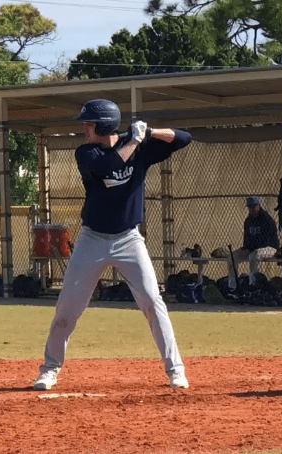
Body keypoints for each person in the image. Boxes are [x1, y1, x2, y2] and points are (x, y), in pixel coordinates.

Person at [33, 99, 192, 391]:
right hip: (92, 239)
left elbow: (184, 138)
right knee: (67, 307)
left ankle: (176, 370)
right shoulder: (86, 152)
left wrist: (149, 131)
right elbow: (109, 167)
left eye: (89, 124)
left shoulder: (140, 148)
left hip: (129, 239)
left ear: (104, 125)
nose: (84, 128)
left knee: (153, 303)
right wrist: (134, 139)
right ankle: (49, 369)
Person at [225, 196, 279, 295]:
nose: (252, 209)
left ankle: (253, 285)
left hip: (270, 248)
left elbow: (269, 241)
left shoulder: (267, 219)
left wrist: (253, 248)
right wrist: (245, 248)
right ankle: (232, 287)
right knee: (232, 257)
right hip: (253, 249)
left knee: (254, 256)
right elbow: (247, 240)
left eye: (254, 206)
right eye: (250, 207)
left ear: (258, 206)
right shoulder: (248, 221)